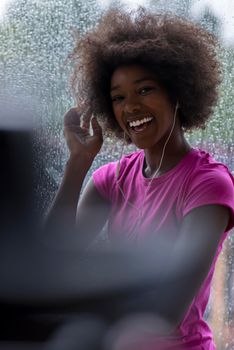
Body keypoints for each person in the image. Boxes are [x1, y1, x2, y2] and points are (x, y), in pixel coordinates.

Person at [46, 6, 234, 350]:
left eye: (144, 90)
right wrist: (77, 164)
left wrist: (79, 296)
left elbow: (167, 310)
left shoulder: (209, 184)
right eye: (118, 98)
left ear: (177, 93)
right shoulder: (110, 180)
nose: (129, 106)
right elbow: (47, 263)